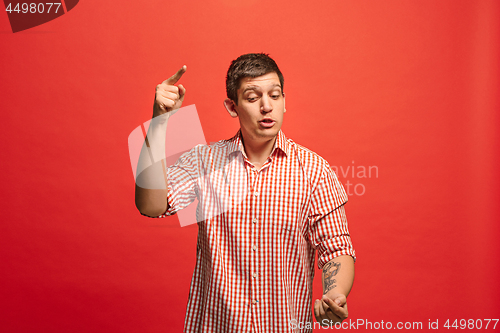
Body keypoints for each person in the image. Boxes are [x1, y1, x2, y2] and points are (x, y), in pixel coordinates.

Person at [135, 53, 356, 332]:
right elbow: (151, 205)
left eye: (275, 96)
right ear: (232, 106)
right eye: (253, 98)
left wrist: (334, 295)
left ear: (284, 101)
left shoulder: (315, 171)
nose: (267, 106)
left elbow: (337, 248)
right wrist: (159, 123)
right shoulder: (204, 161)